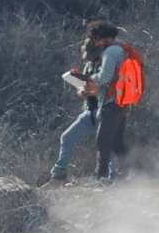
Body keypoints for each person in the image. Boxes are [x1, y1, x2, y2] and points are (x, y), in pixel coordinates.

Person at [46, 20, 131, 184]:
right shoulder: (92, 64)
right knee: (69, 137)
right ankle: (59, 174)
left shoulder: (112, 54)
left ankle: (109, 178)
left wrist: (92, 83)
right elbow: (85, 91)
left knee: (107, 143)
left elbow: (105, 81)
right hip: (93, 110)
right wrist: (84, 89)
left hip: (108, 106)